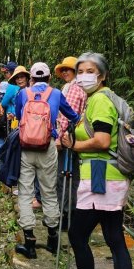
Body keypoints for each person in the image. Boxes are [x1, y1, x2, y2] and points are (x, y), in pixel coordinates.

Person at [56, 52, 134, 269]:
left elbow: (101, 140)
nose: (83, 75)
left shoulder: (100, 100)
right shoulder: (108, 98)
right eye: (80, 71)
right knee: (115, 239)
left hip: (100, 176)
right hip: (114, 178)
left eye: (90, 71)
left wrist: (72, 145)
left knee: (77, 234)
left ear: (102, 75)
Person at [14, 62, 80, 259]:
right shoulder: (57, 94)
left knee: (25, 192)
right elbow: (73, 116)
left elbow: (19, 116)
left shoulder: (23, 94)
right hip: (48, 146)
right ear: (50, 77)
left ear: (32, 79)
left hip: (26, 147)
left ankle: (29, 243)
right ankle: (53, 240)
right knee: (49, 191)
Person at [54, 56, 87, 227]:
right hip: (75, 138)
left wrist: (60, 138)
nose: (66, 72)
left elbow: (68, 116)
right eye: (64, 70)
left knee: (65, 176)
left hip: (68, 138)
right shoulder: (79, 88)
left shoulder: (73, 89)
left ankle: (66, 214)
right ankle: (70, 214)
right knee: (72, 176)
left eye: (69, 69)